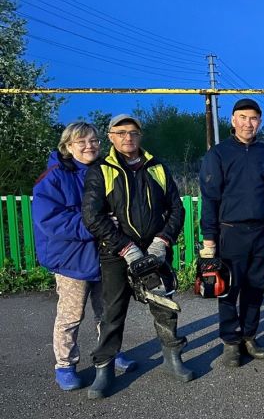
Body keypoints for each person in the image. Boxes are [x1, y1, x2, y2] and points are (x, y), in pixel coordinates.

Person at [82, 114, 193, 399]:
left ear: (140, 135)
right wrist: (125, 248)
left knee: (164, 307)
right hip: (116, 254)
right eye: (120, 133)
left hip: (154, 251)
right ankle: (104, 369)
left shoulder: (157, 167)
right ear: (111, 136)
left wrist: (162, 241)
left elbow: (176, 208)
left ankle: (172, 359)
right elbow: (92, 216)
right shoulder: (101, 170)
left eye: (132, 132)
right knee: (112, 312)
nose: (127, 138)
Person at [32, 122, 137, 391]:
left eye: (93, 140)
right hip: (71, 259)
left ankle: (109, 353)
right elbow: (51, 221)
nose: (89, 145)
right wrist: (95, 225)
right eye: (82, 142)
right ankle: (65, 365)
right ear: (68, 146)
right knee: (70, 316)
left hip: (104, 254)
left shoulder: (105, 170)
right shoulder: (54, 178)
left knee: (107, 312)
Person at [199, 98, 264, 366]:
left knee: (255, 288)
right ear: (233, 120)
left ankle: (249, 335)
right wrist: (209, 240)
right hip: (230, 232)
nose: (249, 123)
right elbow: (210, 198)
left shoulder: (263, 153)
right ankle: (231, 341)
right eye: (243, 117)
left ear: (260, 122)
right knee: (229, 289)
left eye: (254, 118)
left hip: (261, 232)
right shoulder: (218, 154)